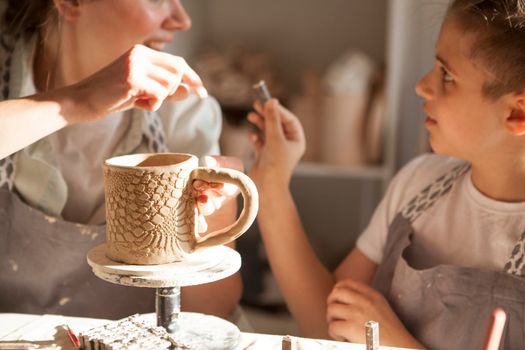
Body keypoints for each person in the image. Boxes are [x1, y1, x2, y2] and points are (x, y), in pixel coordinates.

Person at [247, 0, 525, 348]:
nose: (421, 86)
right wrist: (272, 184)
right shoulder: (418, 185)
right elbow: (326, 324)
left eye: (447, 76)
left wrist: (395, 341)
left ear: (517, 113)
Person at [0, 0, 243, 321]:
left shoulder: (183, 110)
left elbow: (212, 311)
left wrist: (219, 211)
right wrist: (75, 101)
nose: (181, 20)